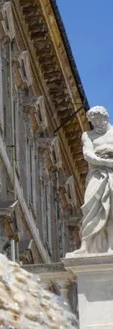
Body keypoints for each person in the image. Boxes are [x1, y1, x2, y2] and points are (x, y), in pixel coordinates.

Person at [71, 106, 113, 255]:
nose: (96, 125)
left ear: (105, 118)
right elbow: (88, 155)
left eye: (98, 121)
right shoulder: (87, 135)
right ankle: (85, 246)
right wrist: (106, 161)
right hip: (97, 174)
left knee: (111, 210)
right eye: (93, 122)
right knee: (91, 207)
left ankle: (110, 247)